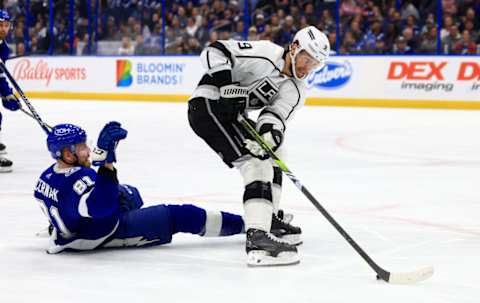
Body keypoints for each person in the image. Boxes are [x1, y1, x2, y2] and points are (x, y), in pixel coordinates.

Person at [187, 26, 330, 266]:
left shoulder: (296, 90)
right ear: (294, 48)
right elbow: (214, 51)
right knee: (255, 164)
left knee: (274, 153)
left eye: (315, 64)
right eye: (307, 58)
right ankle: (258, 240)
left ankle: (267, 219)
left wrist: (269, 137)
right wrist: (225, 87)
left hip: (234, 116)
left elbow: (274, 118)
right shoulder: (265, 53)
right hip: (207, 105)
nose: (307, 67)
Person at [34, 122, 244, 254]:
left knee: (129, 193)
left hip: (72, 229)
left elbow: (67, 203)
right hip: (100, 233)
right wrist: (106, 165)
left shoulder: (46, 177)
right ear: (68, 155)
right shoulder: (80, 178)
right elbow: (100, 209)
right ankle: (248, 226)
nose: (88, 150)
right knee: (182, 215)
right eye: (81, 147)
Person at [0, 10, 21, 172]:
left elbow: (0, 75)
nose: (3, 28)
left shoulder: (4, 47)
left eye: (6, 25)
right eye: (0, 25)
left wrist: (6, 93)